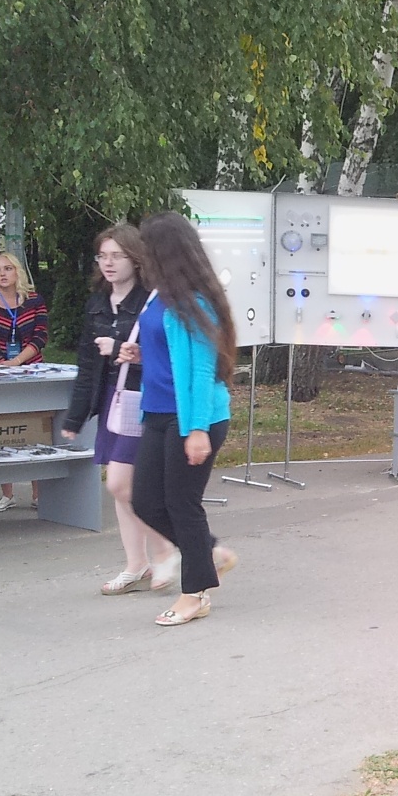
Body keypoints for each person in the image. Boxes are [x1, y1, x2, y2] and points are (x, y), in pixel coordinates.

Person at [125, 212, 238, 626]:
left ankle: (195, 595)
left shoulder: (195, 301)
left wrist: (197, 430)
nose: (141, 257)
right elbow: (170, 351)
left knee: (181, 504)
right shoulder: (158, 295)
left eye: (146, 248)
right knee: (145, 501)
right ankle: (208, 553)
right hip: (157, 412)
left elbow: (202, 371)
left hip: (192, 416)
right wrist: (143, 355)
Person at [60, 224, 177, 595]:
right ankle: (136, 563)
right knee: (122, 487)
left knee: (121, 483)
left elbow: (166, 358)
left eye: (117, 256)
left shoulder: (152, 301)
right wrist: (75, 416)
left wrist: (120, 348)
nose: (108, 263)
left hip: (143, 398)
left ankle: (164, 550)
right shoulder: (97, 303)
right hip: (112, 400)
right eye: (102, 256)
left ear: (136, 259)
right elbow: (86, 365)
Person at [0, 249, 50, 512]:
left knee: (33, 430)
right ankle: (7, 493)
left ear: (17, 271)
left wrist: (18, 362)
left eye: (7, 268)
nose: (2, 274)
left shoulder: (34, 300)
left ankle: (38, 492)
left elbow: (40, 335)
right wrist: (2, 365)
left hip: (30, 370)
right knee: (0, 431)